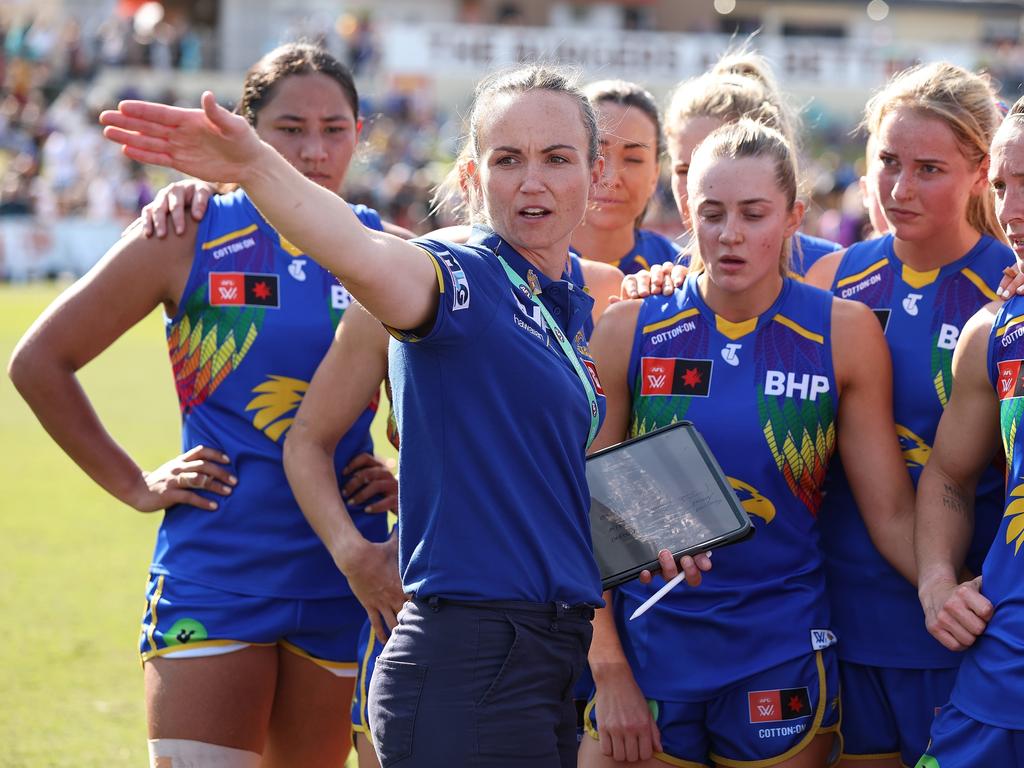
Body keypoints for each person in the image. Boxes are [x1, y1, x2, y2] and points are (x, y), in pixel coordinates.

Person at [98, 63, 710, 768]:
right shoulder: (459, 273)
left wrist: (637, 531)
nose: (532, 181)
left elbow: (532, 485)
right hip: (468, 663)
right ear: (475, 177)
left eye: (556, 159)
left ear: (593, 172)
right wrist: (256, 167)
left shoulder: (566, 294)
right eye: (507, 160)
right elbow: (360, 252)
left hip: (543, 656)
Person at [8, 43, 395, 767]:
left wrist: (411, 482)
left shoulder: (388, 250)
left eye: (335, 128)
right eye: (289, 128)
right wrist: (133, 483)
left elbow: (452, 398)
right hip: (216, 567)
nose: (313, 149)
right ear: (242, 132)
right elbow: (39, 363)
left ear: (360, 131)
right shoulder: (187, 234)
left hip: (348, 573)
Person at [578, 118, 917, 768]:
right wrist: (606, 665)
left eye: (753, 214)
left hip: (780, 649)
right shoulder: (629, 330)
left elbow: (892, 513)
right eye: (712, 213)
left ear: (794, 215)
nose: (729, 234)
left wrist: (952, 588)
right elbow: (582, 515)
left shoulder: (842, 334)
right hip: (650, 654)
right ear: (686, 212)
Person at [803, 61, 1013, 768]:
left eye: (928, 168)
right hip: (835, 612)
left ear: (982, 172)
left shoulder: (1006, 287)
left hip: (961, 617)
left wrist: (950, 587)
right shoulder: (831, 278)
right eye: (888, 162)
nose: (898, 188)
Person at [913, 96, 1024, 767]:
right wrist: (935, 582)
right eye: (1006, 186)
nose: (1011, 214)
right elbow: (950, 475)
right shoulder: (994, 333)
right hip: (1000, 677)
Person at [665, 50, 840, 277]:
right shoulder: (661, 277)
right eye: (683, 170)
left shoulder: (832, 270)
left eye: (721, 169)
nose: (696, 187)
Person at [571, 80, 682, 275]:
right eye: (596, 154)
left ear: (655, 174)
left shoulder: (682, 273)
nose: (612, 178)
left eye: (633, 159)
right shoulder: (518, 266)